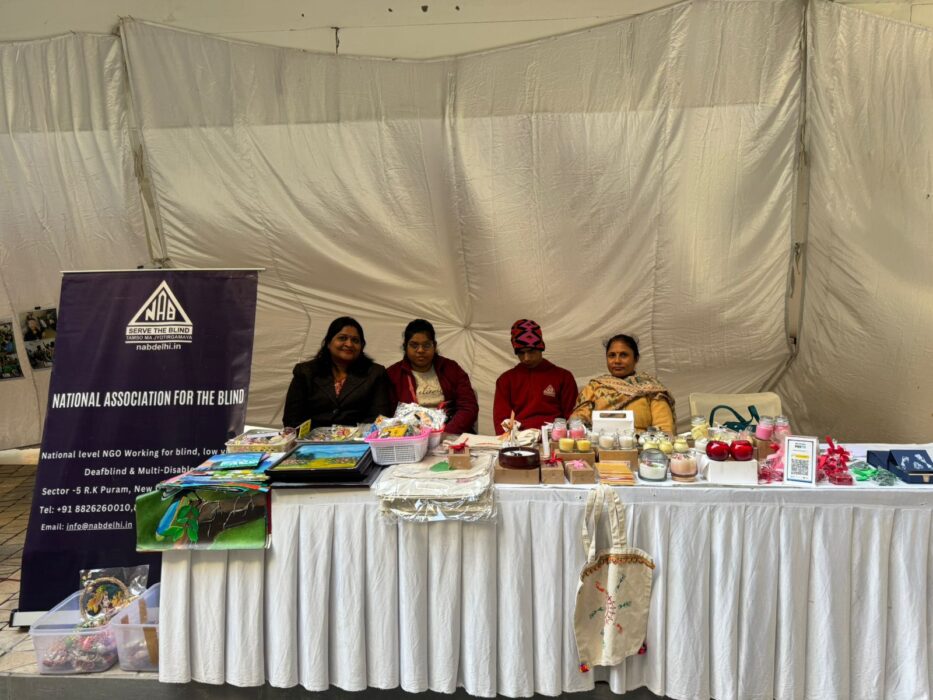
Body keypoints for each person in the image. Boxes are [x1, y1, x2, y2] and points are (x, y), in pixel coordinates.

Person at [283, 316, 393, 428]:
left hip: (358, 441)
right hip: (312, 441)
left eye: (355, 340)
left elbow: (379, 417)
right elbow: (292, 419)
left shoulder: (375, 373)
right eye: (342, 338)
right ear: (328, 343)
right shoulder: (306, 372)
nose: (349, 344)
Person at [386, 319, 479, 435]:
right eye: (414, 345)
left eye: (426, 345)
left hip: (451, 434)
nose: (420, 350)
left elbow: (468, 407)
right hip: (410, 437)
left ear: (434, 346)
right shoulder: (393, 374)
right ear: (405, 347)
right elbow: (387, 414)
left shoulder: (451, 368)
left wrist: (446, 433)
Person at [570, 334, 675, 433]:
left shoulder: (652, 390)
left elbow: (664, 428)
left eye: (623, 355)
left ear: (636, 359)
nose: (617, 361)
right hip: (600, 446)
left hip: (643, 448)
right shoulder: (594, 387)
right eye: (612, 355)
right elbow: (578, 421)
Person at [492, 319, 577, 434]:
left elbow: (573, 418)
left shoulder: (564, 377)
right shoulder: (505, 380)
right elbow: (501, 422)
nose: (526, 358)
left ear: (541, 347)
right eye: (521, 352)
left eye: (531, 351)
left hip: (555, 439)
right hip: (518, 442)